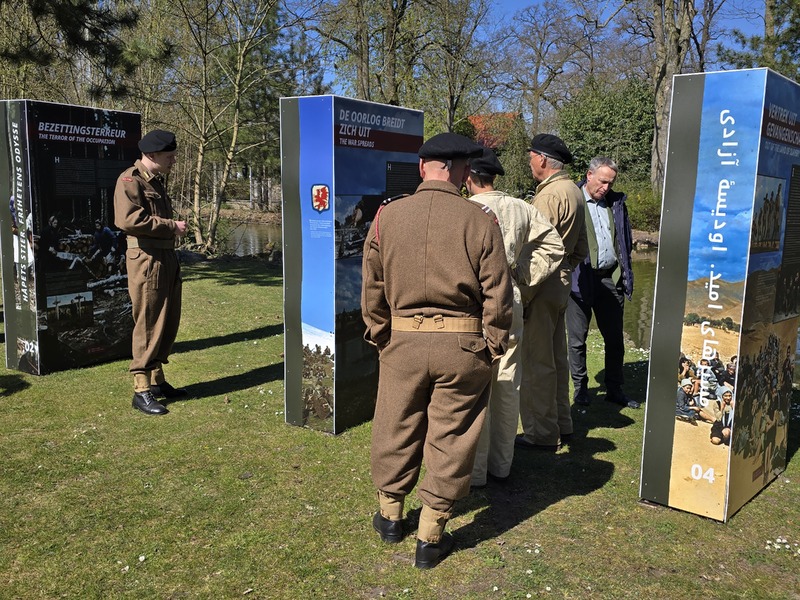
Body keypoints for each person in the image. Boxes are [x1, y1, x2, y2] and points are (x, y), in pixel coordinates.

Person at [361, 132, 513, 569]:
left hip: (403, 343)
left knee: (395, 423)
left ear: (423, 165)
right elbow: (497, 294)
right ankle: (430, 534)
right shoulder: (479, 219)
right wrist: (493, 343)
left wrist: (380, 333)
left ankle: (391, 515)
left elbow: (372, 285)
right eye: (467, 167)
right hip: (463, 346)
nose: (468, 174)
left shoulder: (387, 217)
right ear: (455, 168)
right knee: (452, 435)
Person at [465, 147, 564, 488]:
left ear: (468, 177)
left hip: (475, 304)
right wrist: (521, 273)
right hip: (511, 300)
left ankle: (476, 471)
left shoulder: (468, 210)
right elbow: (554, 246)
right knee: (507, 381)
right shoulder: (521, 207)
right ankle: (501, 465)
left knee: (476, 385)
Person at [517, 134, 588, 451]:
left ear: (542, 159)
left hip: (541, 283)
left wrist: (525, 290)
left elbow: (533, 248)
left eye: (531, 155)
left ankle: (541, 433)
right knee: (557, 358)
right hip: (560, 282)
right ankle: (563, 423)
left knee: (536, 361)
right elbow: (583, 247)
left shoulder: (548, 197)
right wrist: (565, 268)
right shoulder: (574, 190)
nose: (530, 161)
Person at [114, 129, 188, 416]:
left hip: (164, 255)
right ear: (152, 155)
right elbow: (129, 219)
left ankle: (157, 383)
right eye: (169, 156)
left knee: (167, 319)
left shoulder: (156, 181)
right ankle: (141, 389)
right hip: (146, 258)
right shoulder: (130, 180)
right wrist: (172, 227)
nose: (173, 160)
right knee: (148, 320)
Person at [567, 157, 639, 409]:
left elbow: (624, 240)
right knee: (577, 339)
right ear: (589, 175)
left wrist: (625, 274)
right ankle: (581, 390)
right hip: (579, 280)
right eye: (602, 181)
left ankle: (615, 389)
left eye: (610, 182)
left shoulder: (616, 204)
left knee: (615, 339)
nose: (606, 187)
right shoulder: (572, 200)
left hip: (611, 279)